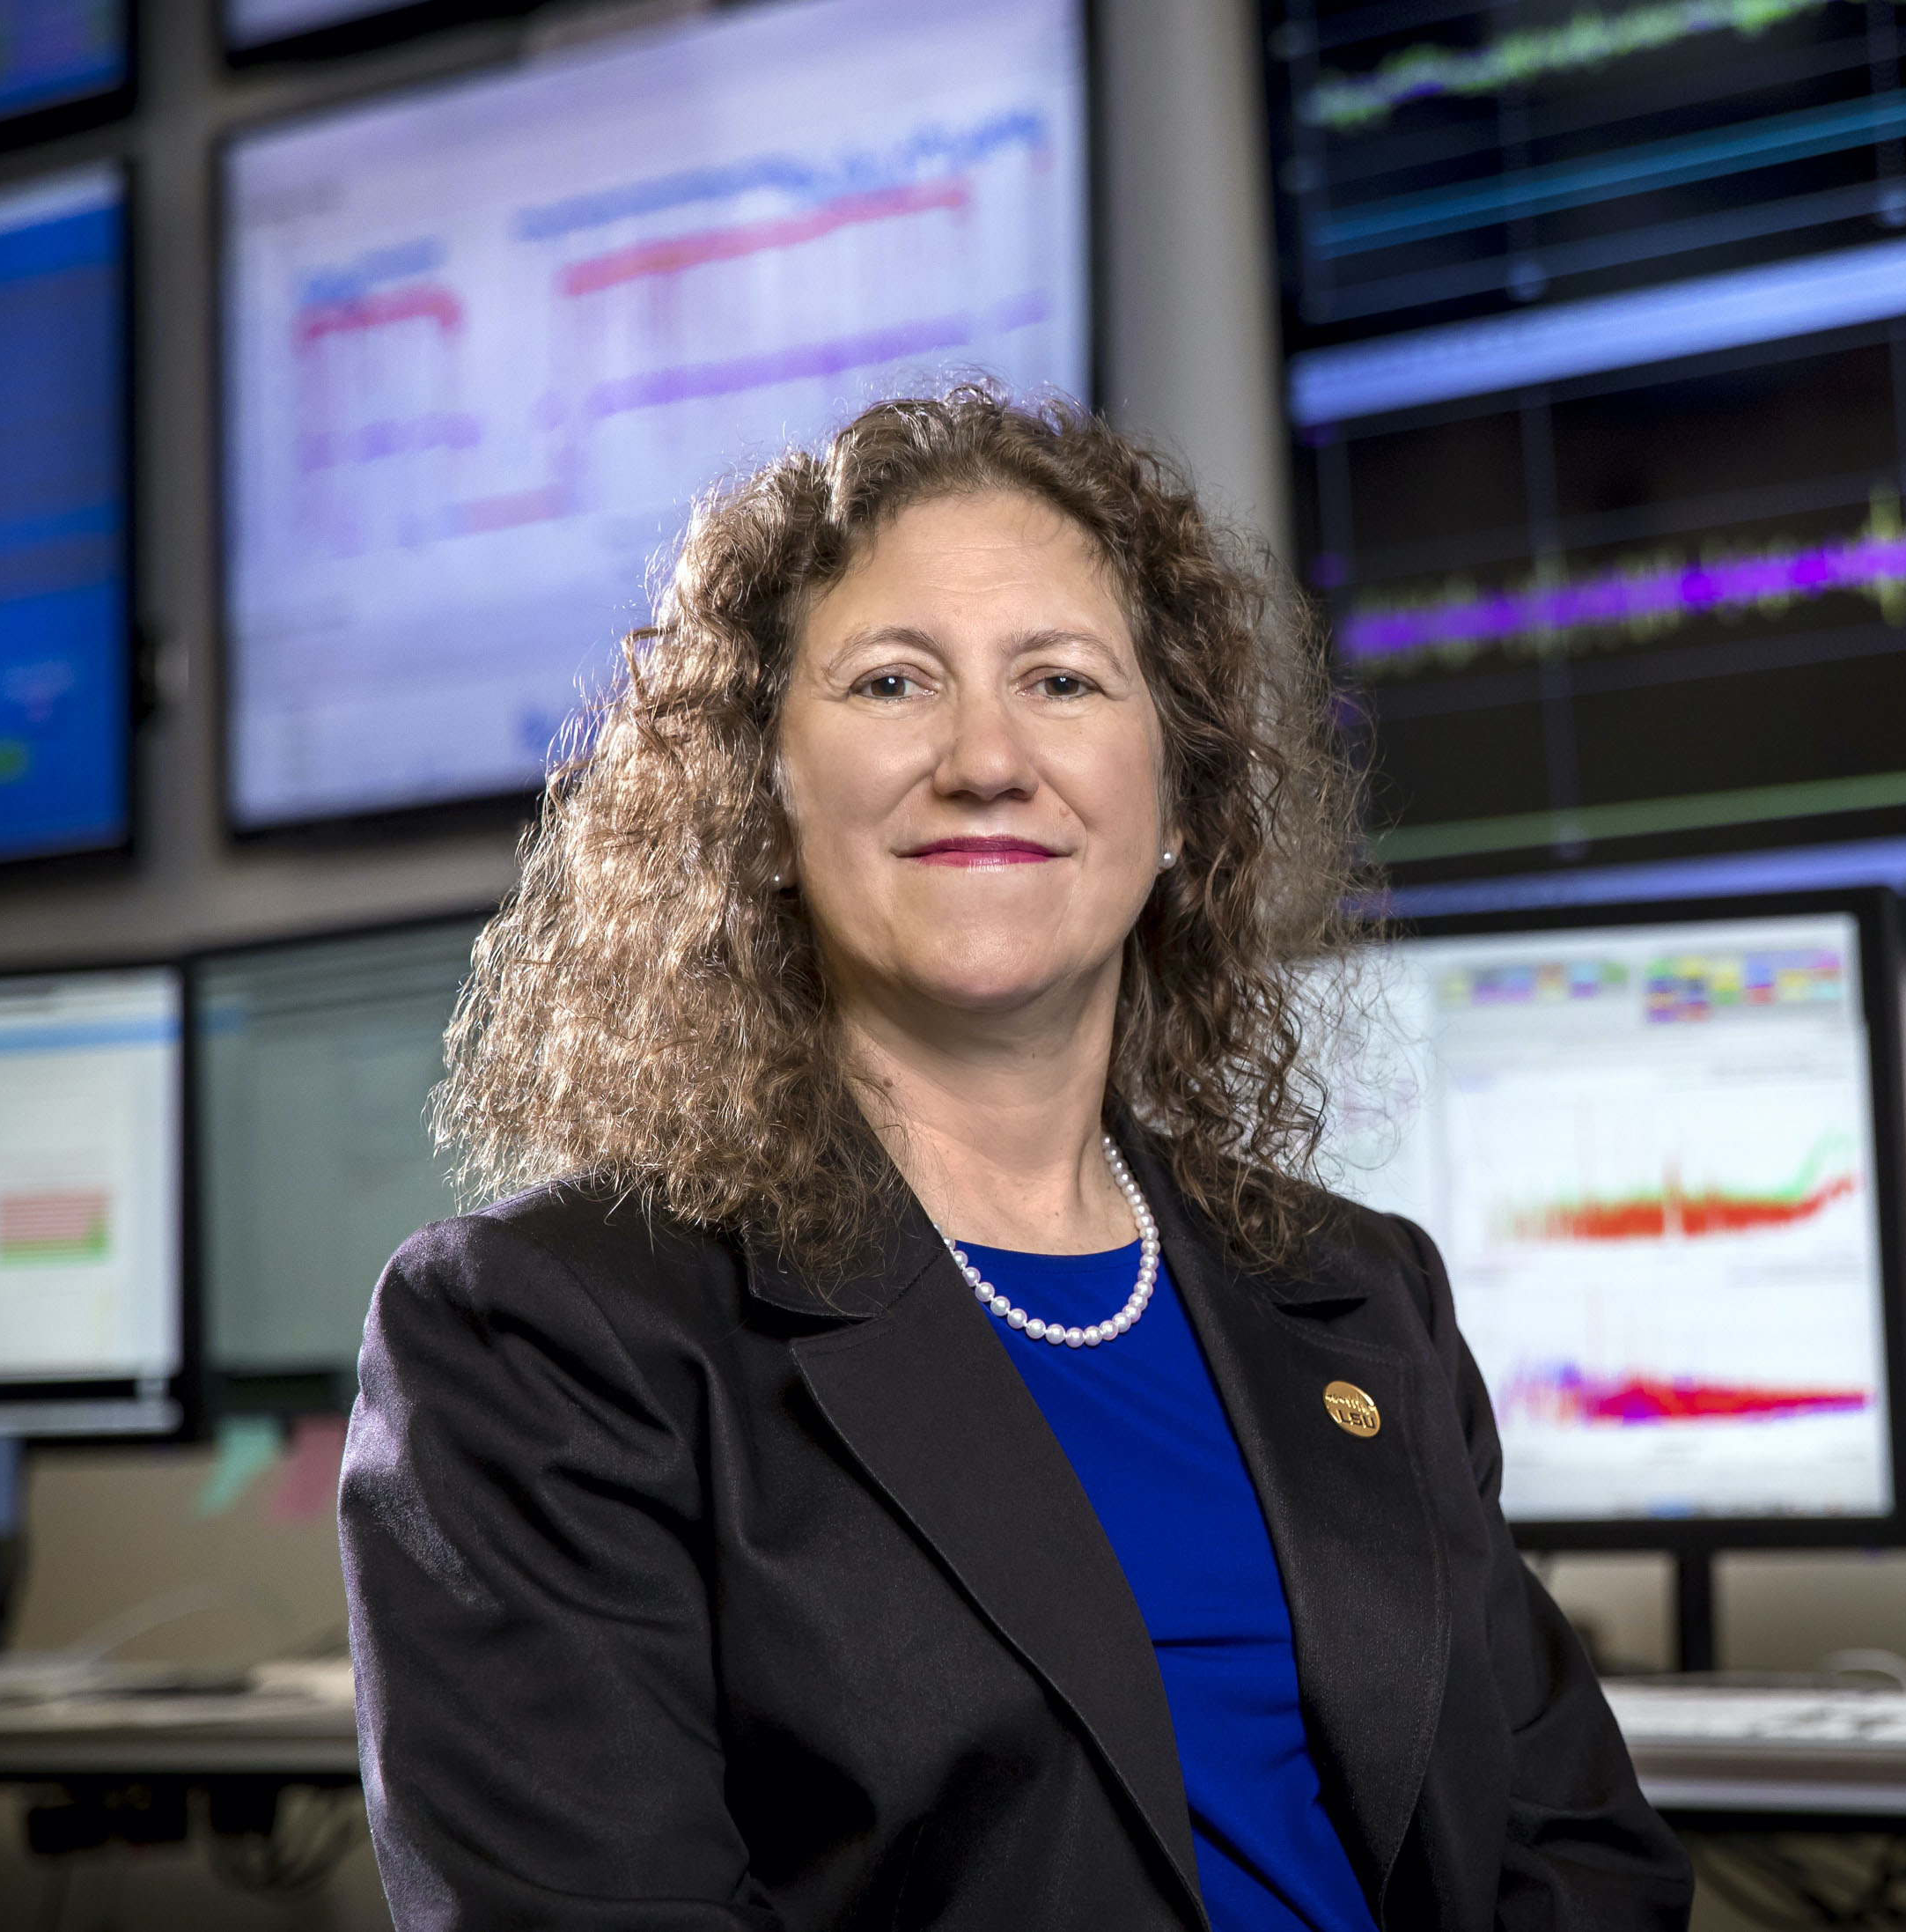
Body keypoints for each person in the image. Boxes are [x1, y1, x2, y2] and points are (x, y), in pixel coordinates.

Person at [339, 387, 1693, 1931]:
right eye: (893, 682)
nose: (988, 757)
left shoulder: (1359, 1290)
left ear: (1176, 801)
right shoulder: (545, 1336)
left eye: (1061, 679)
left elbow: (1578, 1857)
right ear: (760, 804)